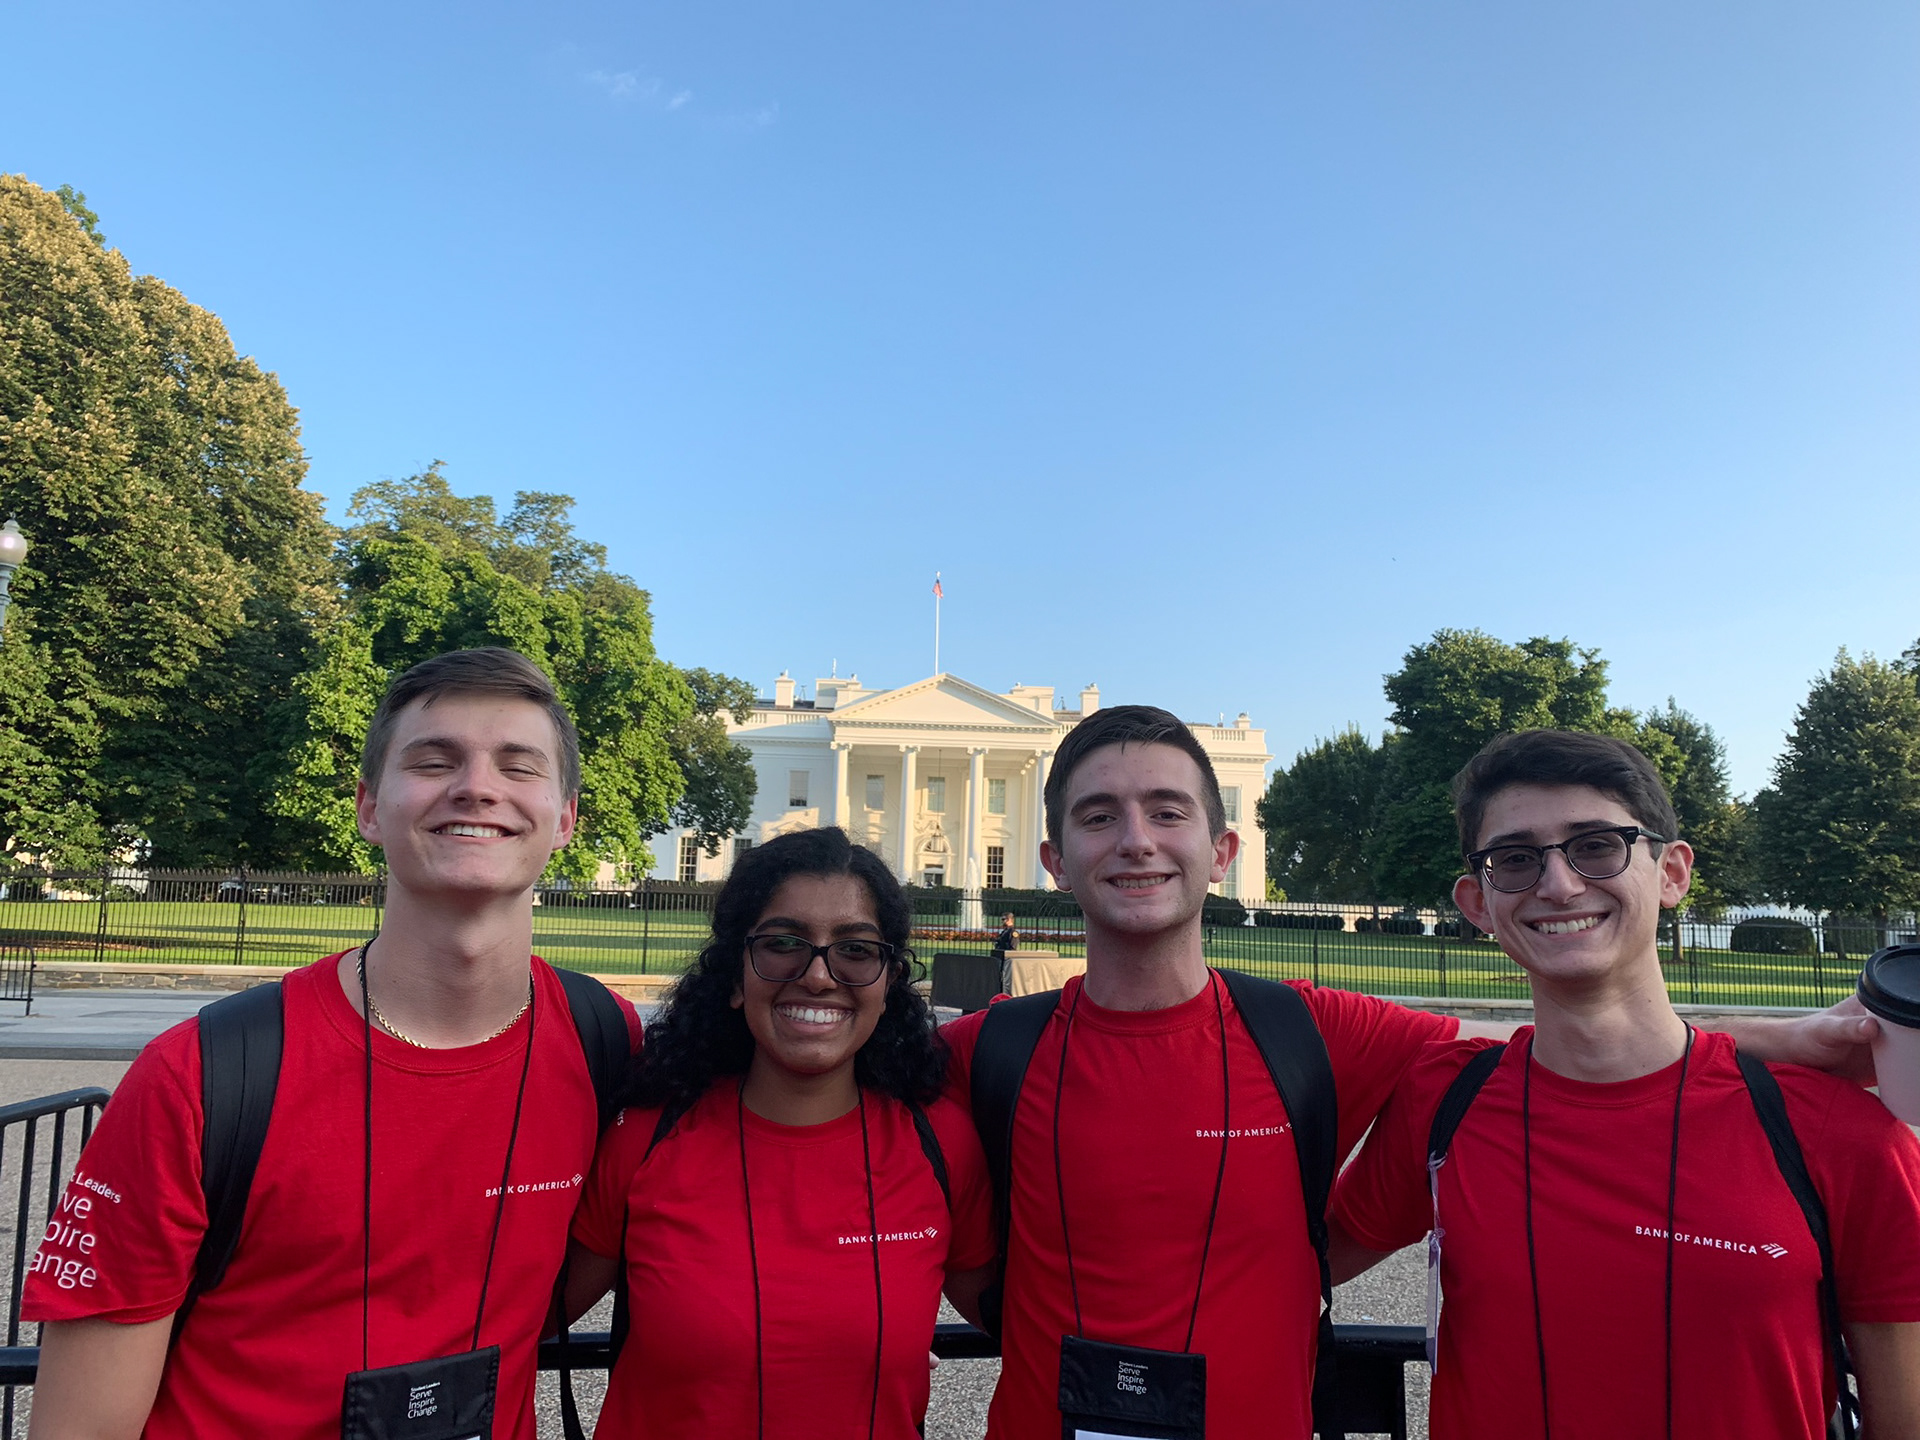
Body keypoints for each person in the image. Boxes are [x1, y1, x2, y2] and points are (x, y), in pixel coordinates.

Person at [939, 706, 1887, 1440]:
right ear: (1054, 859)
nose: (1136, 841)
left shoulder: (1312, 1030)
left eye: (1167, 811)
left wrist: (1764, 1040)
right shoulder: (987, 1053)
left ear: (1221, 851)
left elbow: (1567, 1052)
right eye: (1100, 817)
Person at [23, 647, 643, 1440]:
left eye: (518, 766)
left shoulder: (604, 1042)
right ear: (367, 808)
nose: (477, 786)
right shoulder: (205, 1074)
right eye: (434, 760)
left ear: (564, 821)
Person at [1330, 729, 1920, 1439]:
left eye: (1597, 844)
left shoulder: (1839, 1133)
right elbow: (1283, 1261)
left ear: (1672, 872)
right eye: (1515, 859)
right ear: (1477, 904)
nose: (1559, 884)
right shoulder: (1444, 1103)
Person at [563, 826, 995, 1439]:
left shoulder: (941, 1144)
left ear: (889, 981)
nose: (818, 976)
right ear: (736, 978)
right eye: (784, 942)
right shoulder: (648, 1137)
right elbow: (515, 1311)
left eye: (856, 950)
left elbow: (1032, 1325)